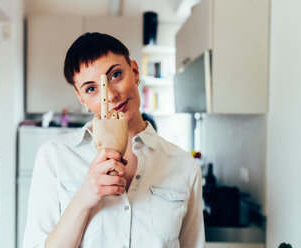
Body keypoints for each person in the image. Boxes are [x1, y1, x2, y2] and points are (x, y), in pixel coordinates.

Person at [23, 32, 205, 248]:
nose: (109, 95)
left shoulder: (184, 165)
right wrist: (84, 197)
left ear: (135, 71)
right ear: (82, 98)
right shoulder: (54, 156)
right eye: (91, 88)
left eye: (115, 75)